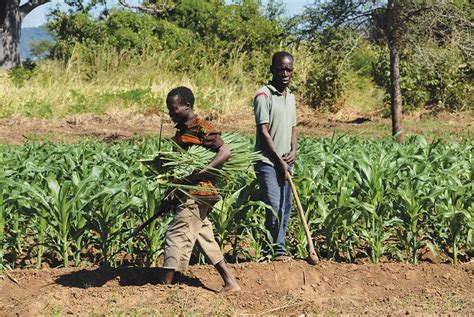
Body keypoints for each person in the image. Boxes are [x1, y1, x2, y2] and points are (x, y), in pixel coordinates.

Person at [161, 86, 240, 294]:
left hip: (199, 193)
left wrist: (203, 170)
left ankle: (164, 288)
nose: (171, 113)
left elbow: (224, 152)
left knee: (175, 235)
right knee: (204, 237)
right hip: (186, 192)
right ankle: (230, 282)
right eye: (169, 109)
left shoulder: (202, 127)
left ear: (187, 105)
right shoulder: (182, 132)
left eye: (174, 108)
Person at [253, 51, 297, 261]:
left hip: (286, 162)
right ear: (272, 70)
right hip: (268, 162)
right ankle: (276, 250)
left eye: (289, 69)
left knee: (285, 207)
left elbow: (293, 128)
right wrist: (278, 161)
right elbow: (263, 132)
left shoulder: (291, 97)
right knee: (274, 205)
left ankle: (276, 247)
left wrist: (293, 151)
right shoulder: (264, 95)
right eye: (280, 69)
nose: (285, 73)